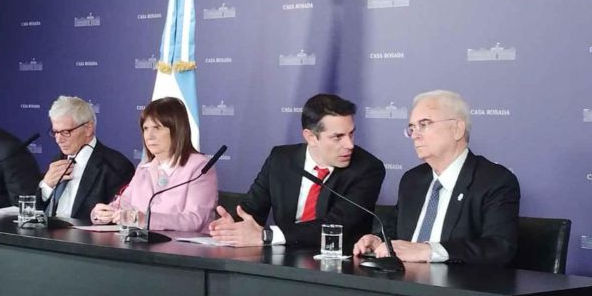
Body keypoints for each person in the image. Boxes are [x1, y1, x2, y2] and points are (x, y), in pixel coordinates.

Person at [353, 90, 520, 265]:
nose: (415, 135)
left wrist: (430, 251)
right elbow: (394, 230)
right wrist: (378, 240)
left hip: (456, 281)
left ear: (457, 129)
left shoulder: (494, 181)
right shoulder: (412, 179)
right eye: (412, 128)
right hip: (402, 278)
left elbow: (499, 247)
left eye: (424, 124)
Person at [208, 93, 385, 247]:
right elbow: (251, 209)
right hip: (281, 259)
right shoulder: (281, 159)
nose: (349, 145)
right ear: (310, 137)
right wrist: (232, 226)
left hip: (338, 262)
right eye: (338, 137)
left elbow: (337, 225)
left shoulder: (368, 168)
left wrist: (268, 235)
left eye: (351, 133)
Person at [90, 97, 217, 232]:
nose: (149, 136)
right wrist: (101, 214)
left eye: (157, 128)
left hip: (183, 244)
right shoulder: (144, 167)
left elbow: (194, 220)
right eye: (145, 128)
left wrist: (145, 220)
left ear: (177, 130)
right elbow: (122, 206)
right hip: (142, 243)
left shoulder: (200, 167)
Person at [38, 96, 134, 220]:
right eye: (55, 132)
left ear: (88, 128)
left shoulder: (116, 166)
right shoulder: (58, 160)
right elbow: (36, 211)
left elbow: (116, 218)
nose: (58, 139)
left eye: (66, 132)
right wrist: (46, 186)